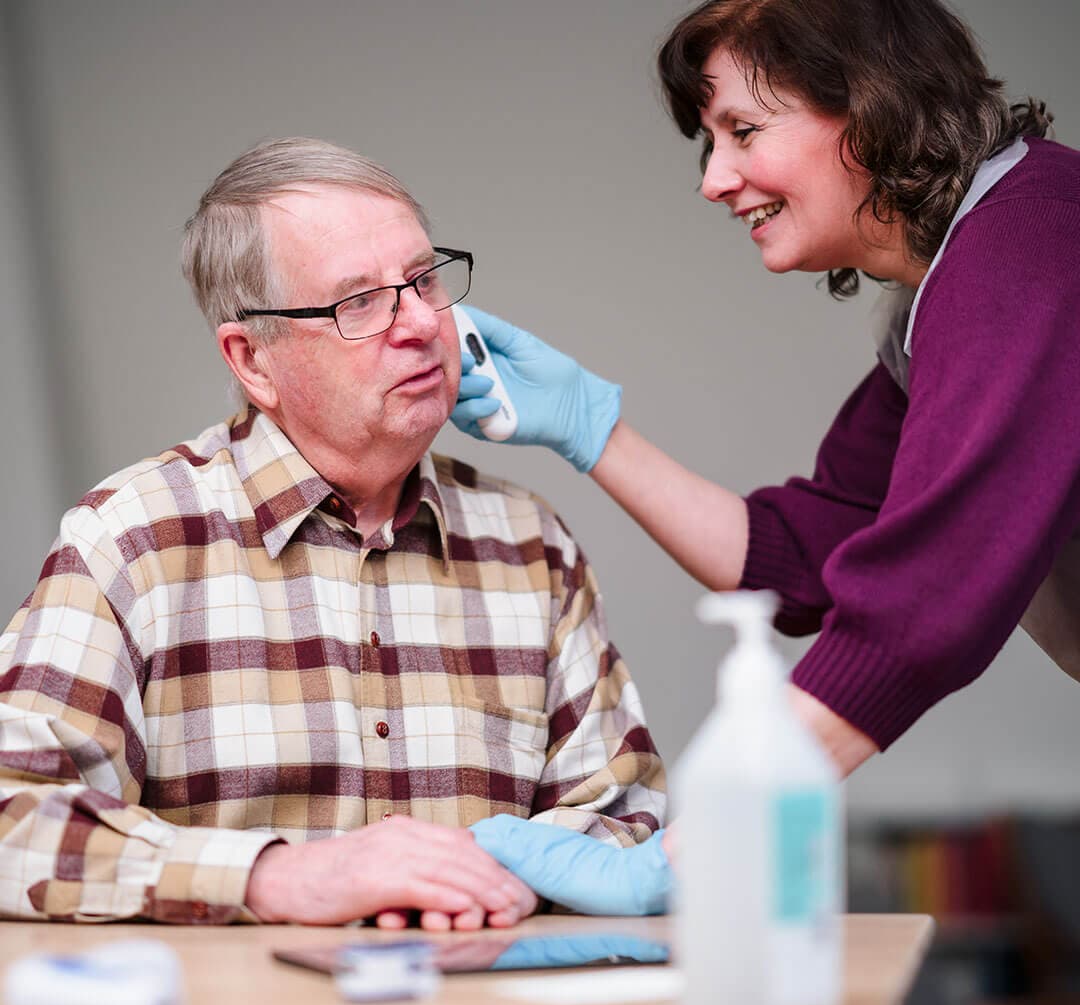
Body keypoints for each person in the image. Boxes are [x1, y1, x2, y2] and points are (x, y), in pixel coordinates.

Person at [459, 0, 1080, 909]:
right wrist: (593, 431)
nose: (715, 180)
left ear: (872, 106)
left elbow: (929, 599)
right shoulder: (941, 298)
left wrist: (696, 849)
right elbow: (812, 556)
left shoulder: (1031, 244)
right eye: (711, 143)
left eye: (744, 130)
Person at [0, 137, 666, 929]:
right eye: (360, 302)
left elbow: (624, 816)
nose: (420, 322)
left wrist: (497, 885)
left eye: (423, 280)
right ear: (253, 361)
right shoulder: (131, 541)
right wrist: (282, 878)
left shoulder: (529, 544)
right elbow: (17, 822)